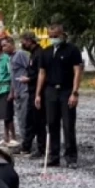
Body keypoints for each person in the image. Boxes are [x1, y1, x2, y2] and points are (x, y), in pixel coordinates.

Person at [34, 24, 82, 168]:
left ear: (62, 34)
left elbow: (77, 72)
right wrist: (38, 94)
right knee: (52, 124)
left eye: (56, 36)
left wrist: (75, 92)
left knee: (68, 125)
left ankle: (71, 157)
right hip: (50, 90)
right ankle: (53, 156)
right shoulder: (45, 52)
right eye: (51, 36)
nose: (53, 38)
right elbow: (41, 74)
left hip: (66, 90)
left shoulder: (72, 50)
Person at [18, 31, 47, 158]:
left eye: (23, 41)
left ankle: (41, 149)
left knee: (39, 121)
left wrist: (29, 79)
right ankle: (26, 146)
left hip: (37, 91)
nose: (22, 44)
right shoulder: (33, 54)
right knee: (30, 120)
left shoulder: (39, 54)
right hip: (31, 90)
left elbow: (42, 73)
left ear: (29, 41)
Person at [0, 38, 16, 146]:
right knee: (3, 115)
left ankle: (13, 137)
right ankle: (6, 136)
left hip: (6, 88)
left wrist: (12, 91)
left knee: (8, 115)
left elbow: (11, 75)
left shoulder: (6, 58)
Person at [9, 37, 29, 147]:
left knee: (24, 118)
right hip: (17, 92)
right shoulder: (10, 58)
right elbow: (13, 76)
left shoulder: (20, 54)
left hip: (24, 90)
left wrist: (27, 78)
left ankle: (26, 143)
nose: (3, 48)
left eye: (5, 45)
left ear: (12, 44)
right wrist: (12, 91)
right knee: (20, 118)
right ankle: (24, 142)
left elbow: (29, 68)